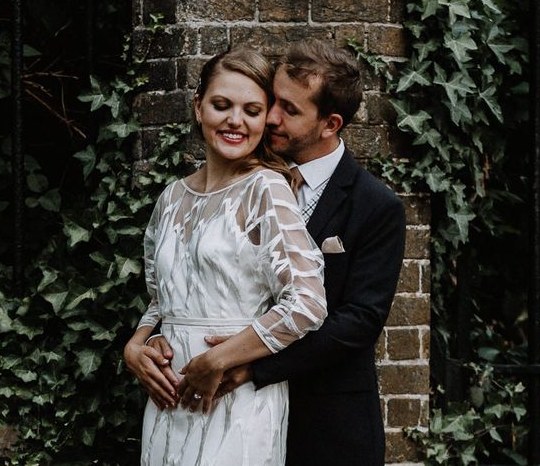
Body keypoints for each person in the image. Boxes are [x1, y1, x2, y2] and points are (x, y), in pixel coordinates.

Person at [142, 39, 406, 466]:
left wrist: (250, 367)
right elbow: (180, 289)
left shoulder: (375, 205)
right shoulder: (228, 178)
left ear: (330, 123)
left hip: (325, 421)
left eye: (289, 109)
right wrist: (142, 344)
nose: (271, 117)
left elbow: (357, 322)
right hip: (202, 398)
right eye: (272, 102)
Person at [124, 47, 328, 466]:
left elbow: (308, 302)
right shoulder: (171, 197)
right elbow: (161, 299)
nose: (236, 120)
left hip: (234, 397)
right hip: (167, 397)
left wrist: (219, 357)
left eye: (252, 110)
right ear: (199, 107)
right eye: (222, 105)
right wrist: (136, 345)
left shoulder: (266, 189)